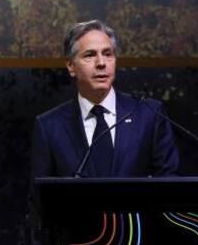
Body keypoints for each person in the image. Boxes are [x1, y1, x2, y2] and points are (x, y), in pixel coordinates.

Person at [30, 19, 179, 179]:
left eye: (108, 54)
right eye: (90, 55)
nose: (101, 63)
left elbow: (170, 182)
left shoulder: (148, 114)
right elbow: (39, 193)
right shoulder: (50, 126)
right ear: (71, 66)